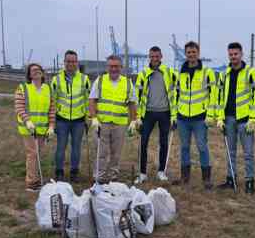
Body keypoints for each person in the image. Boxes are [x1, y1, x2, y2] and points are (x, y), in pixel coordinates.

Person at [216, 42, 255, 194]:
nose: (233, 57)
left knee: (248, 153)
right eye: (231, 54)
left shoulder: (251, 72)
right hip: (228, 119)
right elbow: (219, 98)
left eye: (236, 54)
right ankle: (231, 178)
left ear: (241, 54)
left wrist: (253, 119)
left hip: (245, 120)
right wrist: (219, 118)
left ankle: (249, 181)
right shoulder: (224, 74)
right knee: (230, 152)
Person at [174, 41, 218, 189]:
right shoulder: (180, 72)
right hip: (183, 117)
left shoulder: (207, 72)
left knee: (202, 147)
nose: (191, 55)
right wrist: (175, 114)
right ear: (185, 54)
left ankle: (206, 178)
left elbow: (213, 95)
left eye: (194, 52)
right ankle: (184, 177)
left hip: (200, 117)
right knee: (184, 147)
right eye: (188, 52)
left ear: (198, 53)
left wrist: (210, 114)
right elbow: (176, 95)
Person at [88, 55, 137, 184]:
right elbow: (92, 100)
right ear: (107, 67)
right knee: (101, 152)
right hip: (102, 123)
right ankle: (100, 177)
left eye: (116, 66)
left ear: (121, 67)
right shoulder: (100, 81)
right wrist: (93, 118)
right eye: (111, 66)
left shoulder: (127, 83)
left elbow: (132, 103)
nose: (114, 68)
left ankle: (113, 176)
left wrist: (133, 121)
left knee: (116, 153)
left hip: (119, 125)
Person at [134, 46, 177, 184]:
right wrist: (138, 117)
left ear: (161, 57)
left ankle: (161, 171)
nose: (154, 59)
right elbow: (138, 97)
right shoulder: (143, 74)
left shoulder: (169, 73)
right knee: (144, 141)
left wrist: (174, 116)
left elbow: (176, 93)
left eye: (156, 56)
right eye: (152, 56)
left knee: (164, 142)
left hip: (165, 112)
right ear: (149, 57)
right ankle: (142, 173)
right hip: (148, 113)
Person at [14, 63, 56, 192]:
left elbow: (52, 109)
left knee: (38, 154)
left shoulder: (48, 89)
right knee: (32, 154)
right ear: (29, 74)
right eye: (33, 70)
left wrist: (51, 126)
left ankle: (36, 178)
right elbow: (19, 107)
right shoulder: (23, 88)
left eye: (39, 69)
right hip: (28, 128)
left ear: (42, 73)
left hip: (42, 129)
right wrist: (27, 121)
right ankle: (31, 182)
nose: (37, 71)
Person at [51, 50, 91, 182]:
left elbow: (87, 100)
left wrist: (87, 118)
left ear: (77, 63)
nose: (71, 64)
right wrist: (53, 120)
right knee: (61, 147)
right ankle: (59, 172)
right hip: (61, 119)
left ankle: (74, 172)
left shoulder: (84, 79)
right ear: (64, 62)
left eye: (73, 61)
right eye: (68, 61)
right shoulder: (56, 80)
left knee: (76, 147)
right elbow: (52, 100)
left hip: (78, 121)